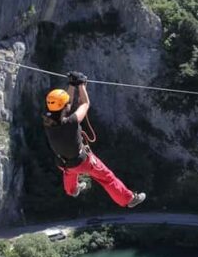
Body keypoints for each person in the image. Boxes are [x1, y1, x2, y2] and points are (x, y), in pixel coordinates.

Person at [43, 71, 146, 208]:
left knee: (70, 172)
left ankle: (73, 190)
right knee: (107, 177)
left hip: (63, 163)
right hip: (82, 161)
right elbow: (85, 104)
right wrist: (81, 85)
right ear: (65, 105)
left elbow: (66, 105)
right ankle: (128, 199)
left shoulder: (47, 120)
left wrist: (73, 85)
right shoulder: (71, 122)